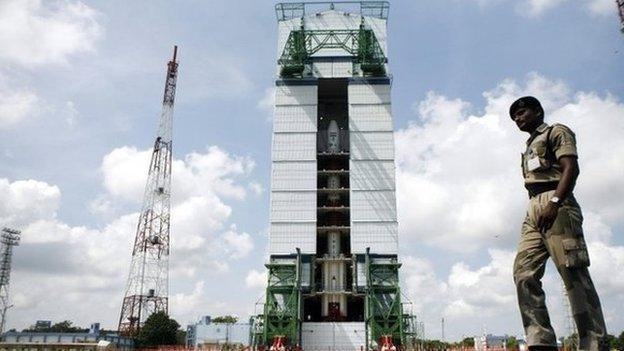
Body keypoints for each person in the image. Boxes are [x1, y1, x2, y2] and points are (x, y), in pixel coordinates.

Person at [509, 96, 607, 351]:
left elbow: (570, 168)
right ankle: (540, 340)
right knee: (523, 272)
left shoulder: (556, 132)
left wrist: (554, 202)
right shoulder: (529, 145)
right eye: (515, 117)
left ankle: (593, 342)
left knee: (572, 272)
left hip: (558, 201)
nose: (518, 119)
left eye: (522, 113)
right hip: (533, 207)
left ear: (538, 111)